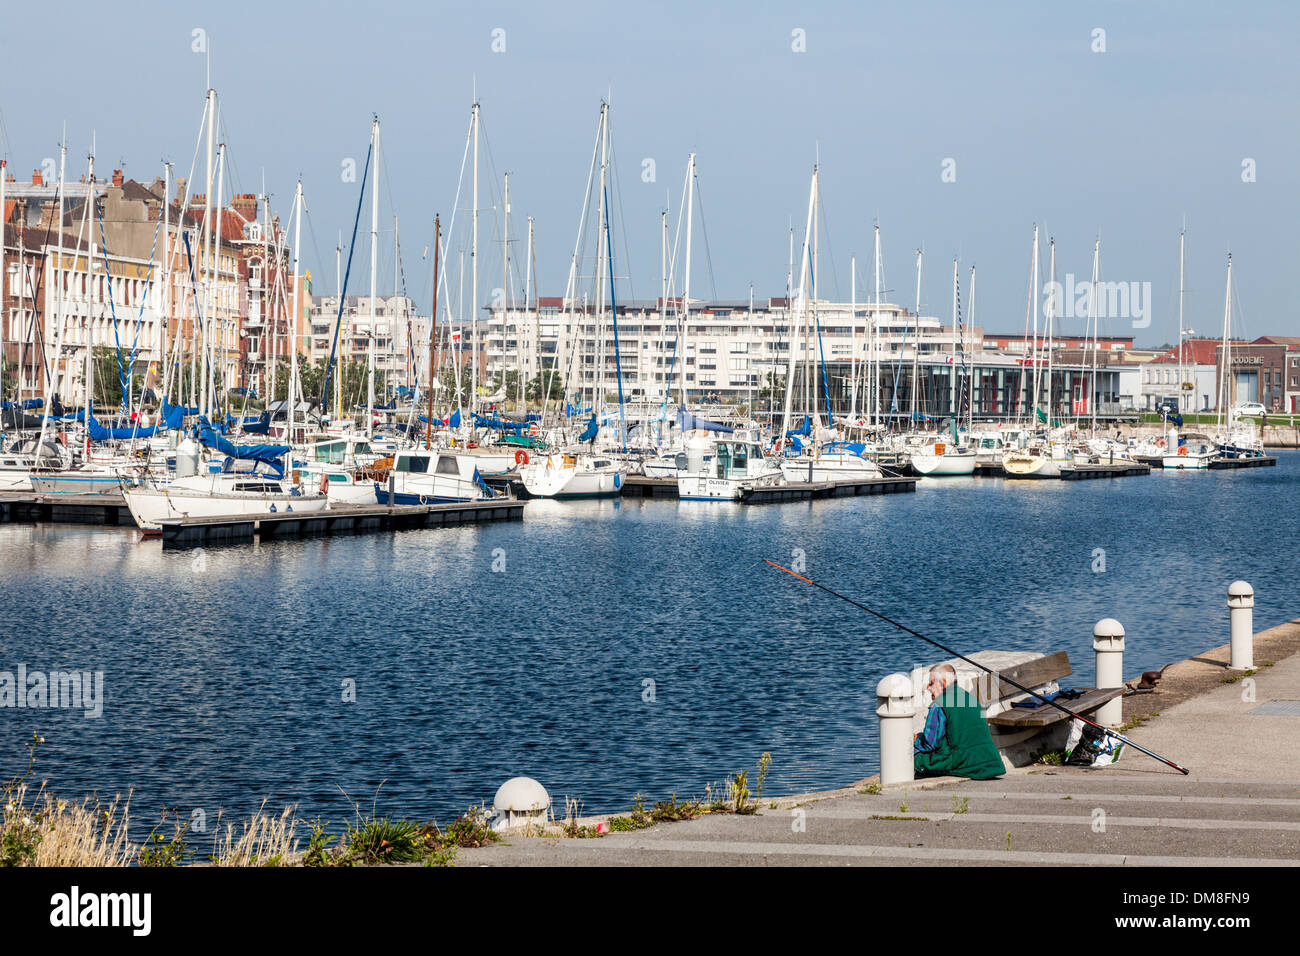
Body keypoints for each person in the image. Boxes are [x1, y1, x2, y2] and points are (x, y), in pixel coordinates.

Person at [913, 664, 1004, 780]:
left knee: (912, 754)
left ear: (943, 683)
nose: (927, 688)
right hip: (990, 761)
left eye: (931, 683)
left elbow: (929, 744)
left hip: (963, 762)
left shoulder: (939, 705)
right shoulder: (970, 698)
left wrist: (915, 741)